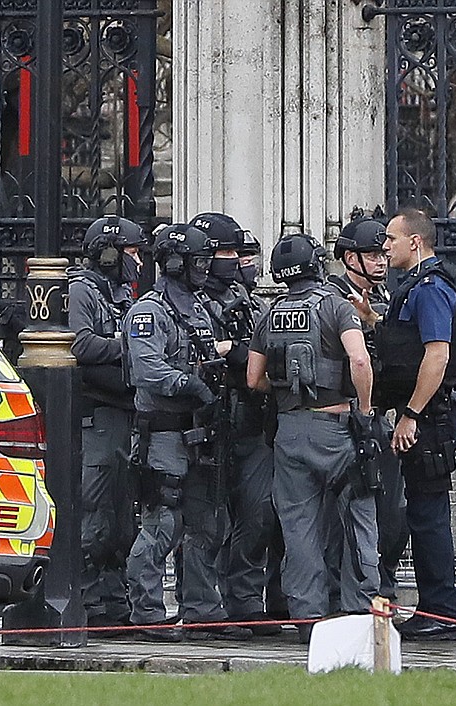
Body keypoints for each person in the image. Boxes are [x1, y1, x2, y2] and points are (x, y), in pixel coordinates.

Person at [123, 223, 252, 642]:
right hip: (163, 432)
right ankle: (147, 612)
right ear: (176, 263)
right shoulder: (149, 312)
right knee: (163, 523)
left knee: (206, 523)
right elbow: (147, 369)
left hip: (202, 431)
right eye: (199, 261)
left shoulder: (201, 307)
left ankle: (202, 609)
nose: (206, 268)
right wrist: (190, 384)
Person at [247, 233, 377, 644]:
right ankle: (362, 608)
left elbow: (254, 379)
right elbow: (359, 359)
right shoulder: (336, 306)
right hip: (336, 427)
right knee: (358, 514)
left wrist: (287, 392)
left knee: (298, 527)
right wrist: (366, 409)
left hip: (289, 431)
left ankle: (309, 619)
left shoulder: (269, 314)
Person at [377, 207, 456, 641]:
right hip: (426, 414)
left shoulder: (431, 287)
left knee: (429, 515)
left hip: (429, 418)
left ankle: (444, 611)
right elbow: (407, 342)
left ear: (415, 242)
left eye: (391, 239)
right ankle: (437, 607)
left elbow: (437, 354)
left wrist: (410, 414)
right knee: (422, 511)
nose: (385, 247)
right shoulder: (416, 286)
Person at [190, 212, 278, 636]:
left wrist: (239, 352)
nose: (234, 261)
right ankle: (206, 605)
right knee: (208, 522)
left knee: (258, 512)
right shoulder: (185, 303)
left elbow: (265, 352)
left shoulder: (253, 302)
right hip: (207, 423)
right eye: (224, 253)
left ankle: (245, 599)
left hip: (251, 419)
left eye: (237, 253)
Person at [67, 215, 147, 632]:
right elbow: (80, 343)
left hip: (123, 415)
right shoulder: (82, 289)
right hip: (96, 416)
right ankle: (88, 596)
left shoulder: (121, 293)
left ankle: (115, 599)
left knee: (121, 517)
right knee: (95, 513)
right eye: (131, 252)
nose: (137, 260)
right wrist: (129, 346)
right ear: (110, 253)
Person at [327, 217, 408, 602]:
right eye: (372, 254)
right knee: (342, 516)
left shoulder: (382, 299)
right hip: (344, 418)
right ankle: (349, 595)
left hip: (378, 418)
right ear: (349, 258)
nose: (381, 261)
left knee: (391, 517)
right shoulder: (333, 298)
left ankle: (380, 587)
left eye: (382, 253)